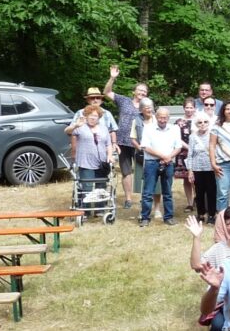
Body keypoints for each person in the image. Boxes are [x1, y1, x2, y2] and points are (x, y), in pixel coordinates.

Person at [103, 65, 145, 208]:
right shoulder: (124, 101)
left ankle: (144, 197)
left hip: (141, 143)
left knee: (144, 171)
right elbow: (107, 92)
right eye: (140, 90)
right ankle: (128, 199)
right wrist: (112, 78)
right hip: (123, 142)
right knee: (126, 172)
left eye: (144, 91)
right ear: (134, 92)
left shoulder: (148, 105)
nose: (142, 93)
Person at [138, 107, 183, 227]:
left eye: (165, 117)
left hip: (168, 164)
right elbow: (145, 147)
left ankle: (168, 217)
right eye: (160, 117)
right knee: (148, 192)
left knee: (167, 192)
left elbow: (178, 147)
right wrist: (163, 156)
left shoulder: (174, 129)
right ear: (156, 117)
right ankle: (145, 217)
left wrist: (169, 157)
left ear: (168, 118)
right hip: (151, 163)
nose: (162, 120)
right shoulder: (148, 128)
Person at [69, 105, 115, 211]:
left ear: (99, 117)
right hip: (85, 162)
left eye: (95, 116)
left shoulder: (104, 129)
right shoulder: (80, 127)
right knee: (87, 187)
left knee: (101, 187)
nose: (93, 118)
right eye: (90, 115)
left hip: (102, 163)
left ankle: (100, 209)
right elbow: (67, 131)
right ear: (86, 116)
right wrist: (75, 125)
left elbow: (108, 144)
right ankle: (86, 210)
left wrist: (109, 155)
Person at [185, 111, 216, 222]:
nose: (203, 124)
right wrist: (190, 171)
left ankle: (212, 214)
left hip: (211, 168)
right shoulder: (193, 137)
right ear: (196, 124)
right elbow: (190, 154)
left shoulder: (213, 134)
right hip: (197, 168)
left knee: (212, 192)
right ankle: (201, 214)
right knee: (199, 193)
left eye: (205, 122)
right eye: (200, 122)